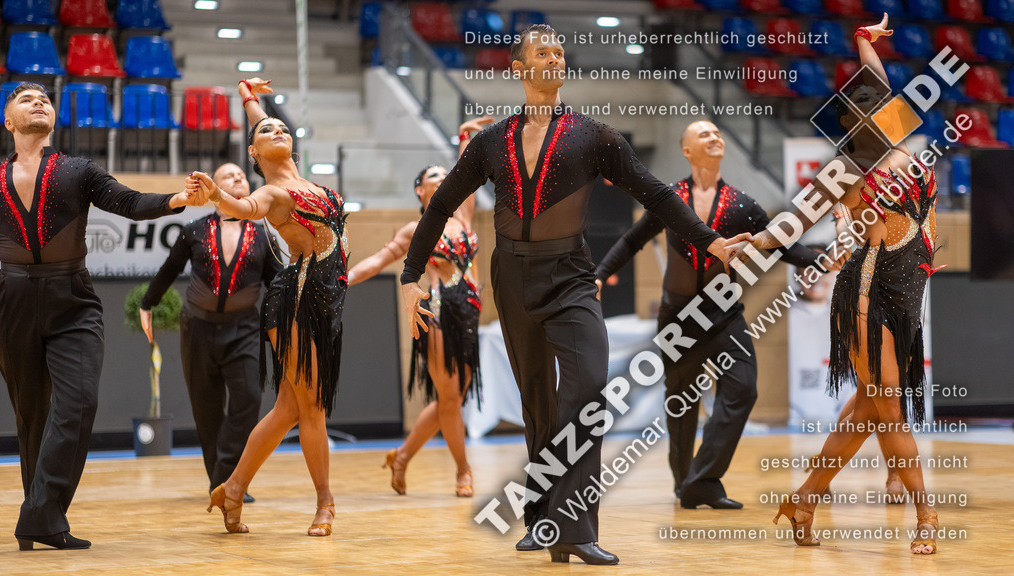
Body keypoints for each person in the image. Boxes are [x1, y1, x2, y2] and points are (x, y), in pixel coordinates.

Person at [399, 26, 750, 565]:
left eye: (561, 52)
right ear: (518, 66)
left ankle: (574, 526)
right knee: (536, 402)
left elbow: (655, 193)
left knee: (586, 393)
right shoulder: (491, 143)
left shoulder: (595, 135)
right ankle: (543, 517)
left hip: (570, 276)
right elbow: (441, 205)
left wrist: (713, 242)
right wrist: (410, 277)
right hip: (512, 278)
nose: (555, 58)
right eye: (543, 52)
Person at [749, 15, 940, 554]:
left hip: (909, 286)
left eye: (879, 105)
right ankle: (926, 514)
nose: (877, 111)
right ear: (853, 123)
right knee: (887, 402)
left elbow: (876, 81)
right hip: (866, 290)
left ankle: (805, 498)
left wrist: (862, 41)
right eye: (865, 110)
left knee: (867, 406)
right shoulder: (848, 170)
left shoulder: (903, 148)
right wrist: (759, 242)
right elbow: (794, 219)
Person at [0, 82, 206, 550]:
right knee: (30, 416)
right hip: (12, 298)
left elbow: (127, 202)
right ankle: (41, 520)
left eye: (45, 98)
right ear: (7, 121)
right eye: (26, 99)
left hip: (74, 299)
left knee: (79, 401)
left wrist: (178, 199)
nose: (39, 102)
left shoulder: (78, 170)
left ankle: (38, 514)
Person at [594, 120, 826, 510]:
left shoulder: (742, 203)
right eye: (704, 134)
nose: (715, 137)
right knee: (681, 402)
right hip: (678, 318)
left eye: (718, 133)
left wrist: (821, 257)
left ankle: (703, 479)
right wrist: (600, 275)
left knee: (743, 388)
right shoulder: (670, 199)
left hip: (723, 313)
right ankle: (685, 482)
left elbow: (780, 246)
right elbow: (632, 240)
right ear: (686, 150)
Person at [189, 77, 348, 537]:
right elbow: (247, 206)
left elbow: (263, 121)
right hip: (296, 300)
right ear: (254, 156)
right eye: (265, 133)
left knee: (287, 410)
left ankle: (232, 489)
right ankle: (325, 503)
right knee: (313, 406)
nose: (276, 130)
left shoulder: (301, 179)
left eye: (282, 128)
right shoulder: (275, 194)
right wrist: (218, 196)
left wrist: (248, 98)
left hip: (326, 298)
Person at [349, 116, 488, 496]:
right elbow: (377, 261)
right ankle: (463, 471)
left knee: (451, 399)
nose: (444, 180)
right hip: (439, 314)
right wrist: (342, 279)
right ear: (420, 191)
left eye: (446, 175)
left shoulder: (463, 216)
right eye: (434, 178)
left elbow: (467, 169)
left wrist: (463, 135)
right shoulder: (415, 229)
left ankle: (403, 456)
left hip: (470, 314)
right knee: (449, 399)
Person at [139, 163, 283, 502]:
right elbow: (169, 269)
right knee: (206, 410)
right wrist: (147, 304)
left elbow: (276, 281)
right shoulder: (194, 230)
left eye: (242, 176)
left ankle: (231, 478)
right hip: (198, 330)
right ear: (214, 188)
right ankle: (221, 484)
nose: (239, 178)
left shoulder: (263, 234)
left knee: (249, 398)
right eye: (229, 175)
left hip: (244, 329)